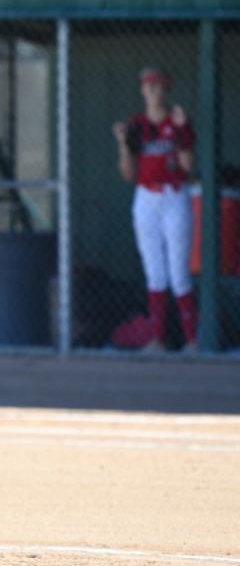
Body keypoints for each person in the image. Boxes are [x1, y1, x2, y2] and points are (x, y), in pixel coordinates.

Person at [112, 67, 198, 352]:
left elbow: (187, 166)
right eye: (150, 87)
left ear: (167, 90)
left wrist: (183, 131)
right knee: (154, 271)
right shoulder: (137, 124)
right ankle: (157, 340)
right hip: (146, 198)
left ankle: (193, 341)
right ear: (142, 91)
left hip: (174, 195)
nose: (155, 92)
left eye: (160, 87)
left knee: (178, 272)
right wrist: (123, 145)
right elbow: (128, 174)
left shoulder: (176, 121)